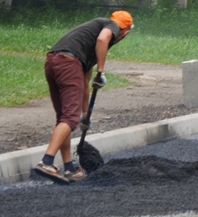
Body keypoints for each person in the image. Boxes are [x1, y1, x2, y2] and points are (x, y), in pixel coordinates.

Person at [36, 11, 134, 183]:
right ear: (126, 32)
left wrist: (85, 114)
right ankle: (46, 162)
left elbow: (85, 81)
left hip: (53, 62)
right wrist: (101, 71)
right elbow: (102, 39)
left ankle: (69, 169)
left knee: (64, 118)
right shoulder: (110, 27)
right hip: (68, 64)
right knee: (69, 119)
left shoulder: (89, 39)